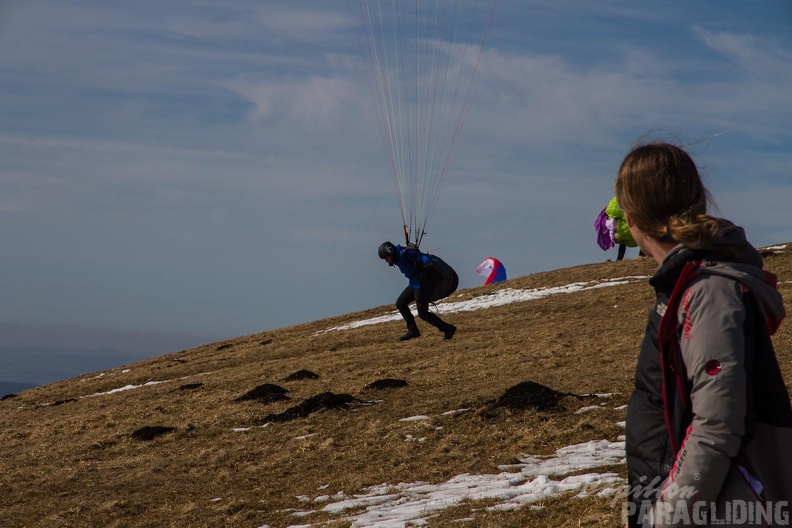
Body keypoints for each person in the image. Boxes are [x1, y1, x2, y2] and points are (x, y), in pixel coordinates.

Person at [616, 142, 792, 527]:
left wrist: (670, 516)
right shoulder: (684, 285)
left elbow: (717, 424)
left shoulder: (707, 292)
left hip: (715, 506)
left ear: (633, 217)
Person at [378, 241, 458, 341]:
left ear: (391, 253)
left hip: (421, 285)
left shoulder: (405, 253)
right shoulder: (398, 257)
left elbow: (421, 256)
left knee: (423, 314)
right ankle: (413, 330)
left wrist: (426, 261)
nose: (386, 261)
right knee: (400, 303)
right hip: (413, 284)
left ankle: (448, 329)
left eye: (386, 258)